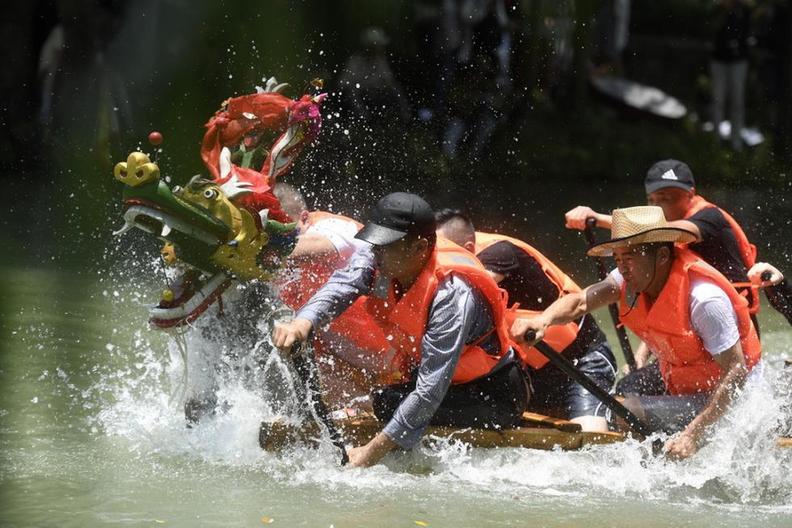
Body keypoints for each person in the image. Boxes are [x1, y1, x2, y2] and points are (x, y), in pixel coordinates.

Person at [273, 192, 529, 467]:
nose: (375, 253)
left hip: (491, 395)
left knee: (389, 402)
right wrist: (302, 323)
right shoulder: (380, 259)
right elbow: (342, 286)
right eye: (375, 244)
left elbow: (429, 391)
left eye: (384, 246)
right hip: (446, 386)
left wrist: (368, 454)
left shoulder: (451, 296)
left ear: (419, 248)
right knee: (387, 400)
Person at [514, 206, 762, 459]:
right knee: (623, 390)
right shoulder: (629, 279)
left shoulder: (704, 299)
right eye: (618, 259)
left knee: (623, 411)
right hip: (686, 385)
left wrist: (692, 434)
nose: (622, 268)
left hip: (733, 402)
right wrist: (543, 321)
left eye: (630, 257)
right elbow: (580, 302)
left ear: (663, 256)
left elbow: (736, 372)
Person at [565, 159, 791, 353]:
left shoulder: (709, 218)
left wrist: (596, 218)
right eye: (652, 200)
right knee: (632, 385)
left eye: (666, 198)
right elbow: (667, 305)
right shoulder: (663, 253)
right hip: (696, 325)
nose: (658, 206)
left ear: (690, 194)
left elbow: (668, 230)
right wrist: (644, 355)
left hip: (734, 329)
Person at [435, 209, 616, 432]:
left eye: (443, 253)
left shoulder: (500, 253)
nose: (437, 263)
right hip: (529, 375)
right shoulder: (448, 266)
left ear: (468, 249)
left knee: (591, 440)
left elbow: (460, 303)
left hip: (582, 366)